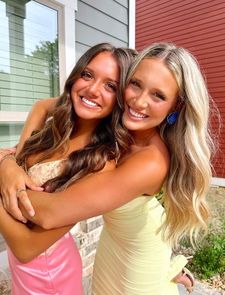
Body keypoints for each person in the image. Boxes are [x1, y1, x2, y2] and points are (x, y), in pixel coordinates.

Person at [0, 42, 214, 294]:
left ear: (175, 107)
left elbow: (48, 214)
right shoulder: (119, 127)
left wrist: (7, 173)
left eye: (158, 95)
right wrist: (9, 164)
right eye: (135, 84)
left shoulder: (151, 161)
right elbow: (44, 106)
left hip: (137, 266)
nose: (139, 102)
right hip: (113, 243)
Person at [0, 42, 136, 295]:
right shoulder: (55, 130)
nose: (93, 89)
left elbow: (26, 247)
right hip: (21, 268)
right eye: (87, 74)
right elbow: (19, 155)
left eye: (110, 86)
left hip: (47, 275)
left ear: (121, 99)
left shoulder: (101, 163)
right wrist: (6, 164)